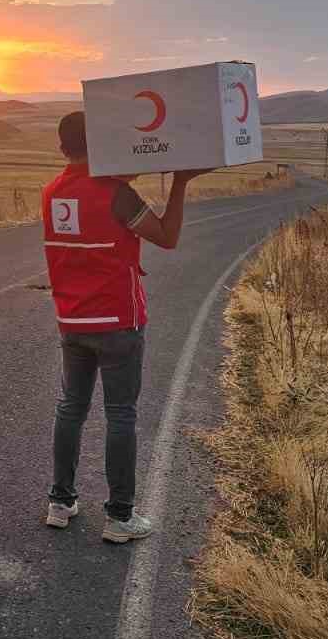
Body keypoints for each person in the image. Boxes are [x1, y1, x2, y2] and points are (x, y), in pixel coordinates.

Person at [41, 109, 210, 544]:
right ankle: (120, 517)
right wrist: (180, 181)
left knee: (70, 407)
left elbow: (90, 214)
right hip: (118, 320)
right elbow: (167, 237)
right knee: (120, 413)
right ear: (103, 143)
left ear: (62, 148)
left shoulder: (51, 192)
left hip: (72, 320)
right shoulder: (118, 194)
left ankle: (60, 502)